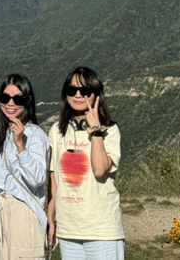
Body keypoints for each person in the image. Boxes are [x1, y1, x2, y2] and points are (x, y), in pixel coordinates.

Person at [47, 66, 125, 259]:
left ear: (96, 94)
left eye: (85, 91)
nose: (78, 95)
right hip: (68, 229)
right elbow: (54, 179)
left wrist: (97, 131)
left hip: (102, 229)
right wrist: (51, 219)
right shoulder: (57, 131)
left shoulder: (110, 131)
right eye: (72, 90)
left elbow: (100, 170)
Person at [0, 74, 50, 259]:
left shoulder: (35, 135)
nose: (10, 104)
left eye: (18, 99)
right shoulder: (0, 134)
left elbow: (37, 179)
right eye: (5, 98)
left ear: (28, 101)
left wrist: (21, 145)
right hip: (3, 209)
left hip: (24, 210)